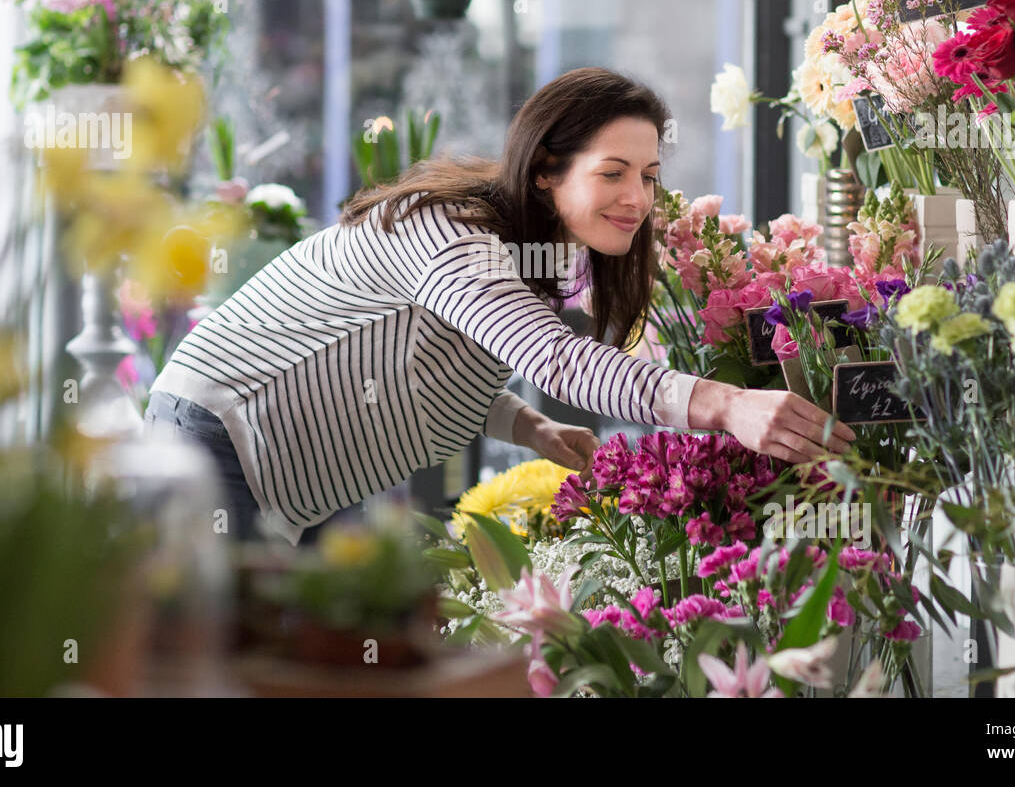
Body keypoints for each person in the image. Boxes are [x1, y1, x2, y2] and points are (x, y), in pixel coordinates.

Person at [146, 67, 854, 544]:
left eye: (648, 174)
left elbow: (425, 360)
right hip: (221, 439)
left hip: (290, 470)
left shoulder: (528, 252)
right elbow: (556, 358)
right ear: (546, 171)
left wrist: (532, 428)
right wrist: (728, 405)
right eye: (612, 172)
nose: (637, 197)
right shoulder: (455, 235)